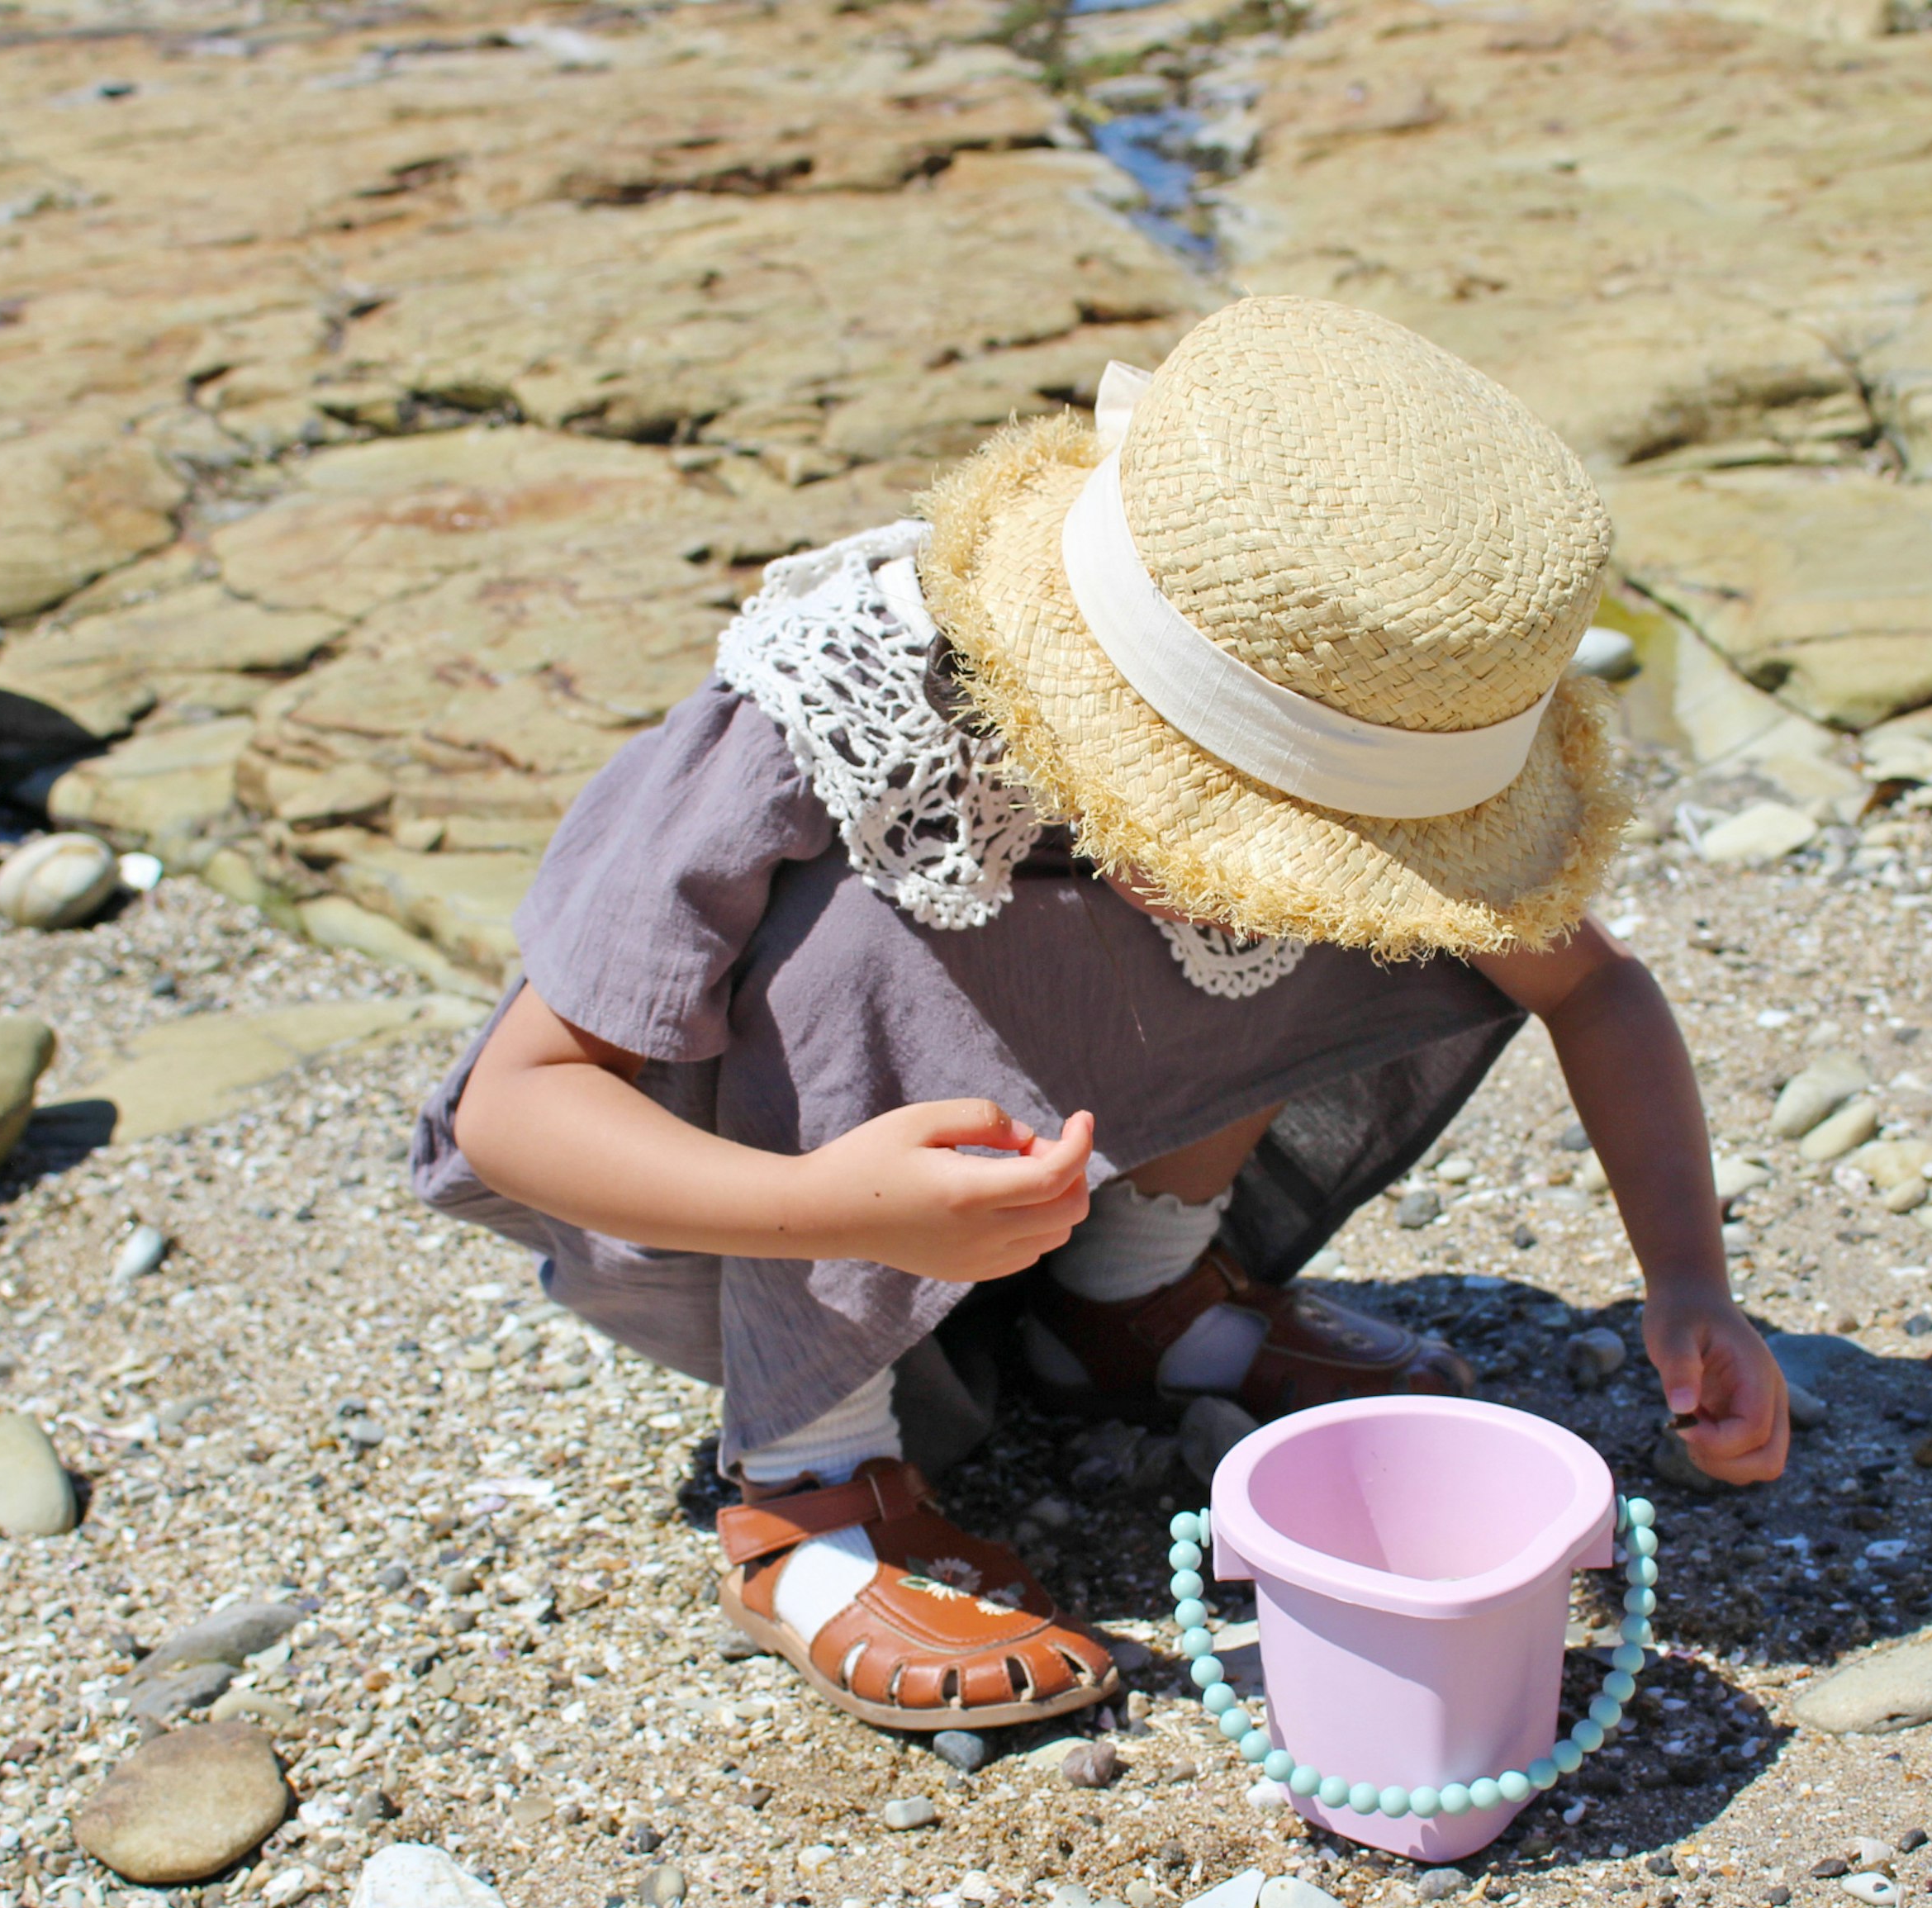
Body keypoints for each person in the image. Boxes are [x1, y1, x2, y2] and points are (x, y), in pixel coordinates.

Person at [412, 296, 1788, 1735]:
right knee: (859, 946)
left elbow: (1597, 988)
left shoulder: (1361, 706)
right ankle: (806, 1488)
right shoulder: (837, 715)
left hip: (1036, 1196)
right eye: (1230, 815)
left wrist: (1688, 1282)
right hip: (768, 1214)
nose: (1247, 864)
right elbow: (515, 1105)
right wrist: (830, 1203)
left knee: (1380, 919)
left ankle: (1130, 1302)